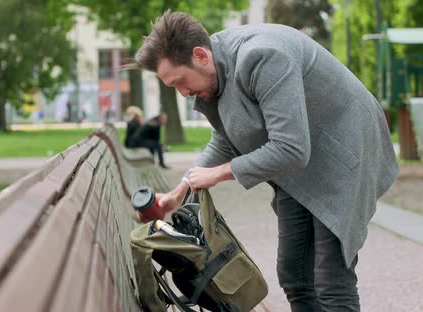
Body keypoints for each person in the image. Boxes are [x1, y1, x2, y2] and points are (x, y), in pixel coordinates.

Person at [125, 11, 398, 311]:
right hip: (300, 166)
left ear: (200, 55)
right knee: (294, 275)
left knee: (331, 279)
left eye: (180, 81)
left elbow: (291, 148)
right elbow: (227, 138)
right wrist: (180, 190)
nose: (183, 92)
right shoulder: (217, 65)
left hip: (344, 153)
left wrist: (218, 174)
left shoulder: (263, 57)